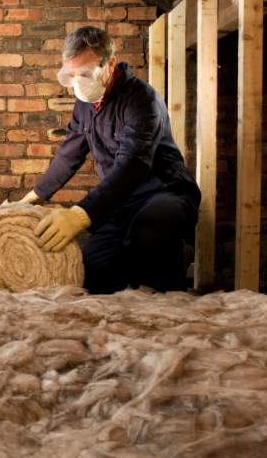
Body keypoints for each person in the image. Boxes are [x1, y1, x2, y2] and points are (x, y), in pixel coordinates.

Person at [17, 26, 201, 294]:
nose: (78, 83)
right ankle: (140, 263)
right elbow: (69, 155)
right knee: (92, 276)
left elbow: (132, 167)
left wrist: (80, 215)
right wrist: (32, 198)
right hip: (119, 204)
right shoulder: (85, 104)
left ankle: (171, 264)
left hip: (164, 193)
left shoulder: (142, 100)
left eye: (86, 74)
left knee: (151, 233)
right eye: (71, 75)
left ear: (110, 64)